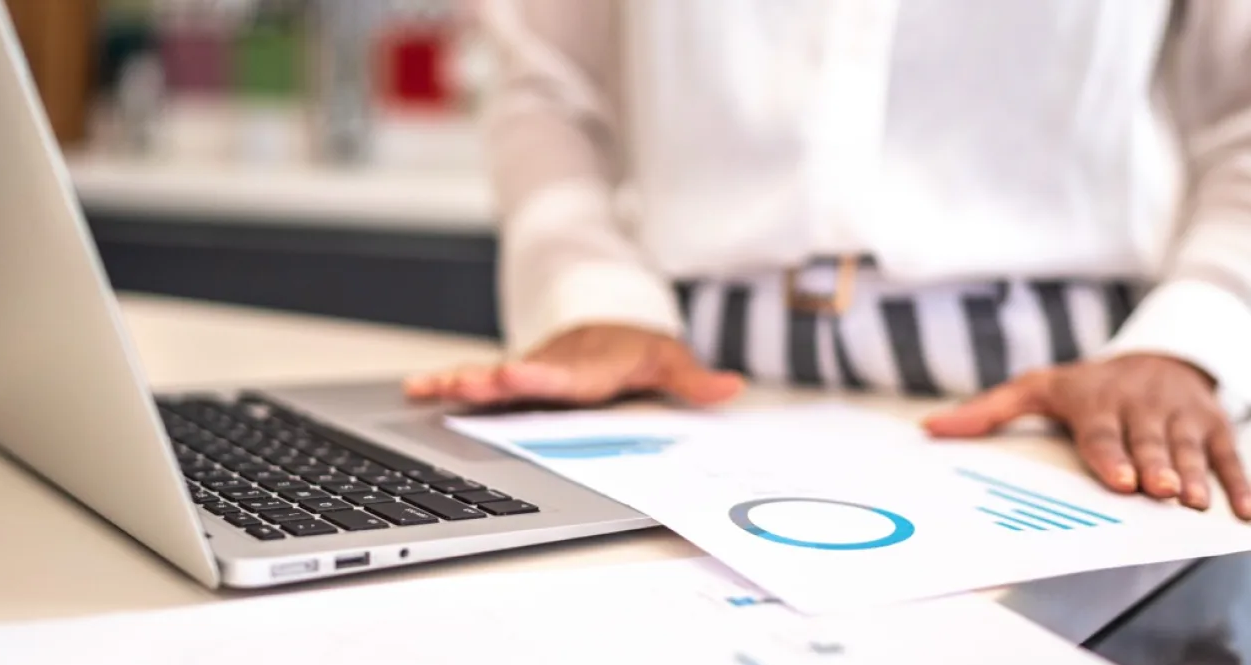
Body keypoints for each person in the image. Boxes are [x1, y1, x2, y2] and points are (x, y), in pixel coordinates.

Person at [404, 0, 1251, 520]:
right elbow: (548, 87)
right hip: (678, 392)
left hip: (1082, 410)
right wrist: (588, 292)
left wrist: (1188, 341)